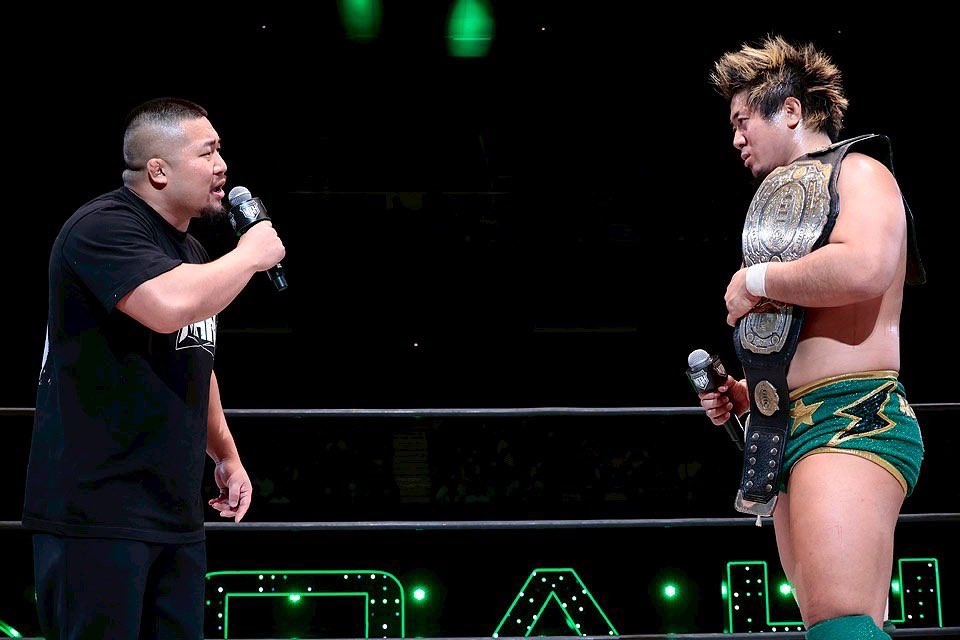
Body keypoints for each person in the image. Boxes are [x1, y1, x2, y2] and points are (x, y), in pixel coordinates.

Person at [22, 97, 286, 639]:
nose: (222, 166)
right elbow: (166, 308)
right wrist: (249, 254)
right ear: (159, 170)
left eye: (221, 151)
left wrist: (226, 454)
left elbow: (196, 358)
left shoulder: (192, 252)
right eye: (207, 153)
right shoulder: (101, 227)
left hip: (174, 511)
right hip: (96, 512)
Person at [698, 37, 925, 640]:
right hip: (791, 427)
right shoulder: (791, 203)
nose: (736, 138)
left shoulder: (860, 172)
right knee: (836, 624)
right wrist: (748, 393)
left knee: (838, 623)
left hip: (853, 416)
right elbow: (810, 334)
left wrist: (756, 279)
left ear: (792, 111)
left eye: (743, 120)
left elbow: (864, 268)